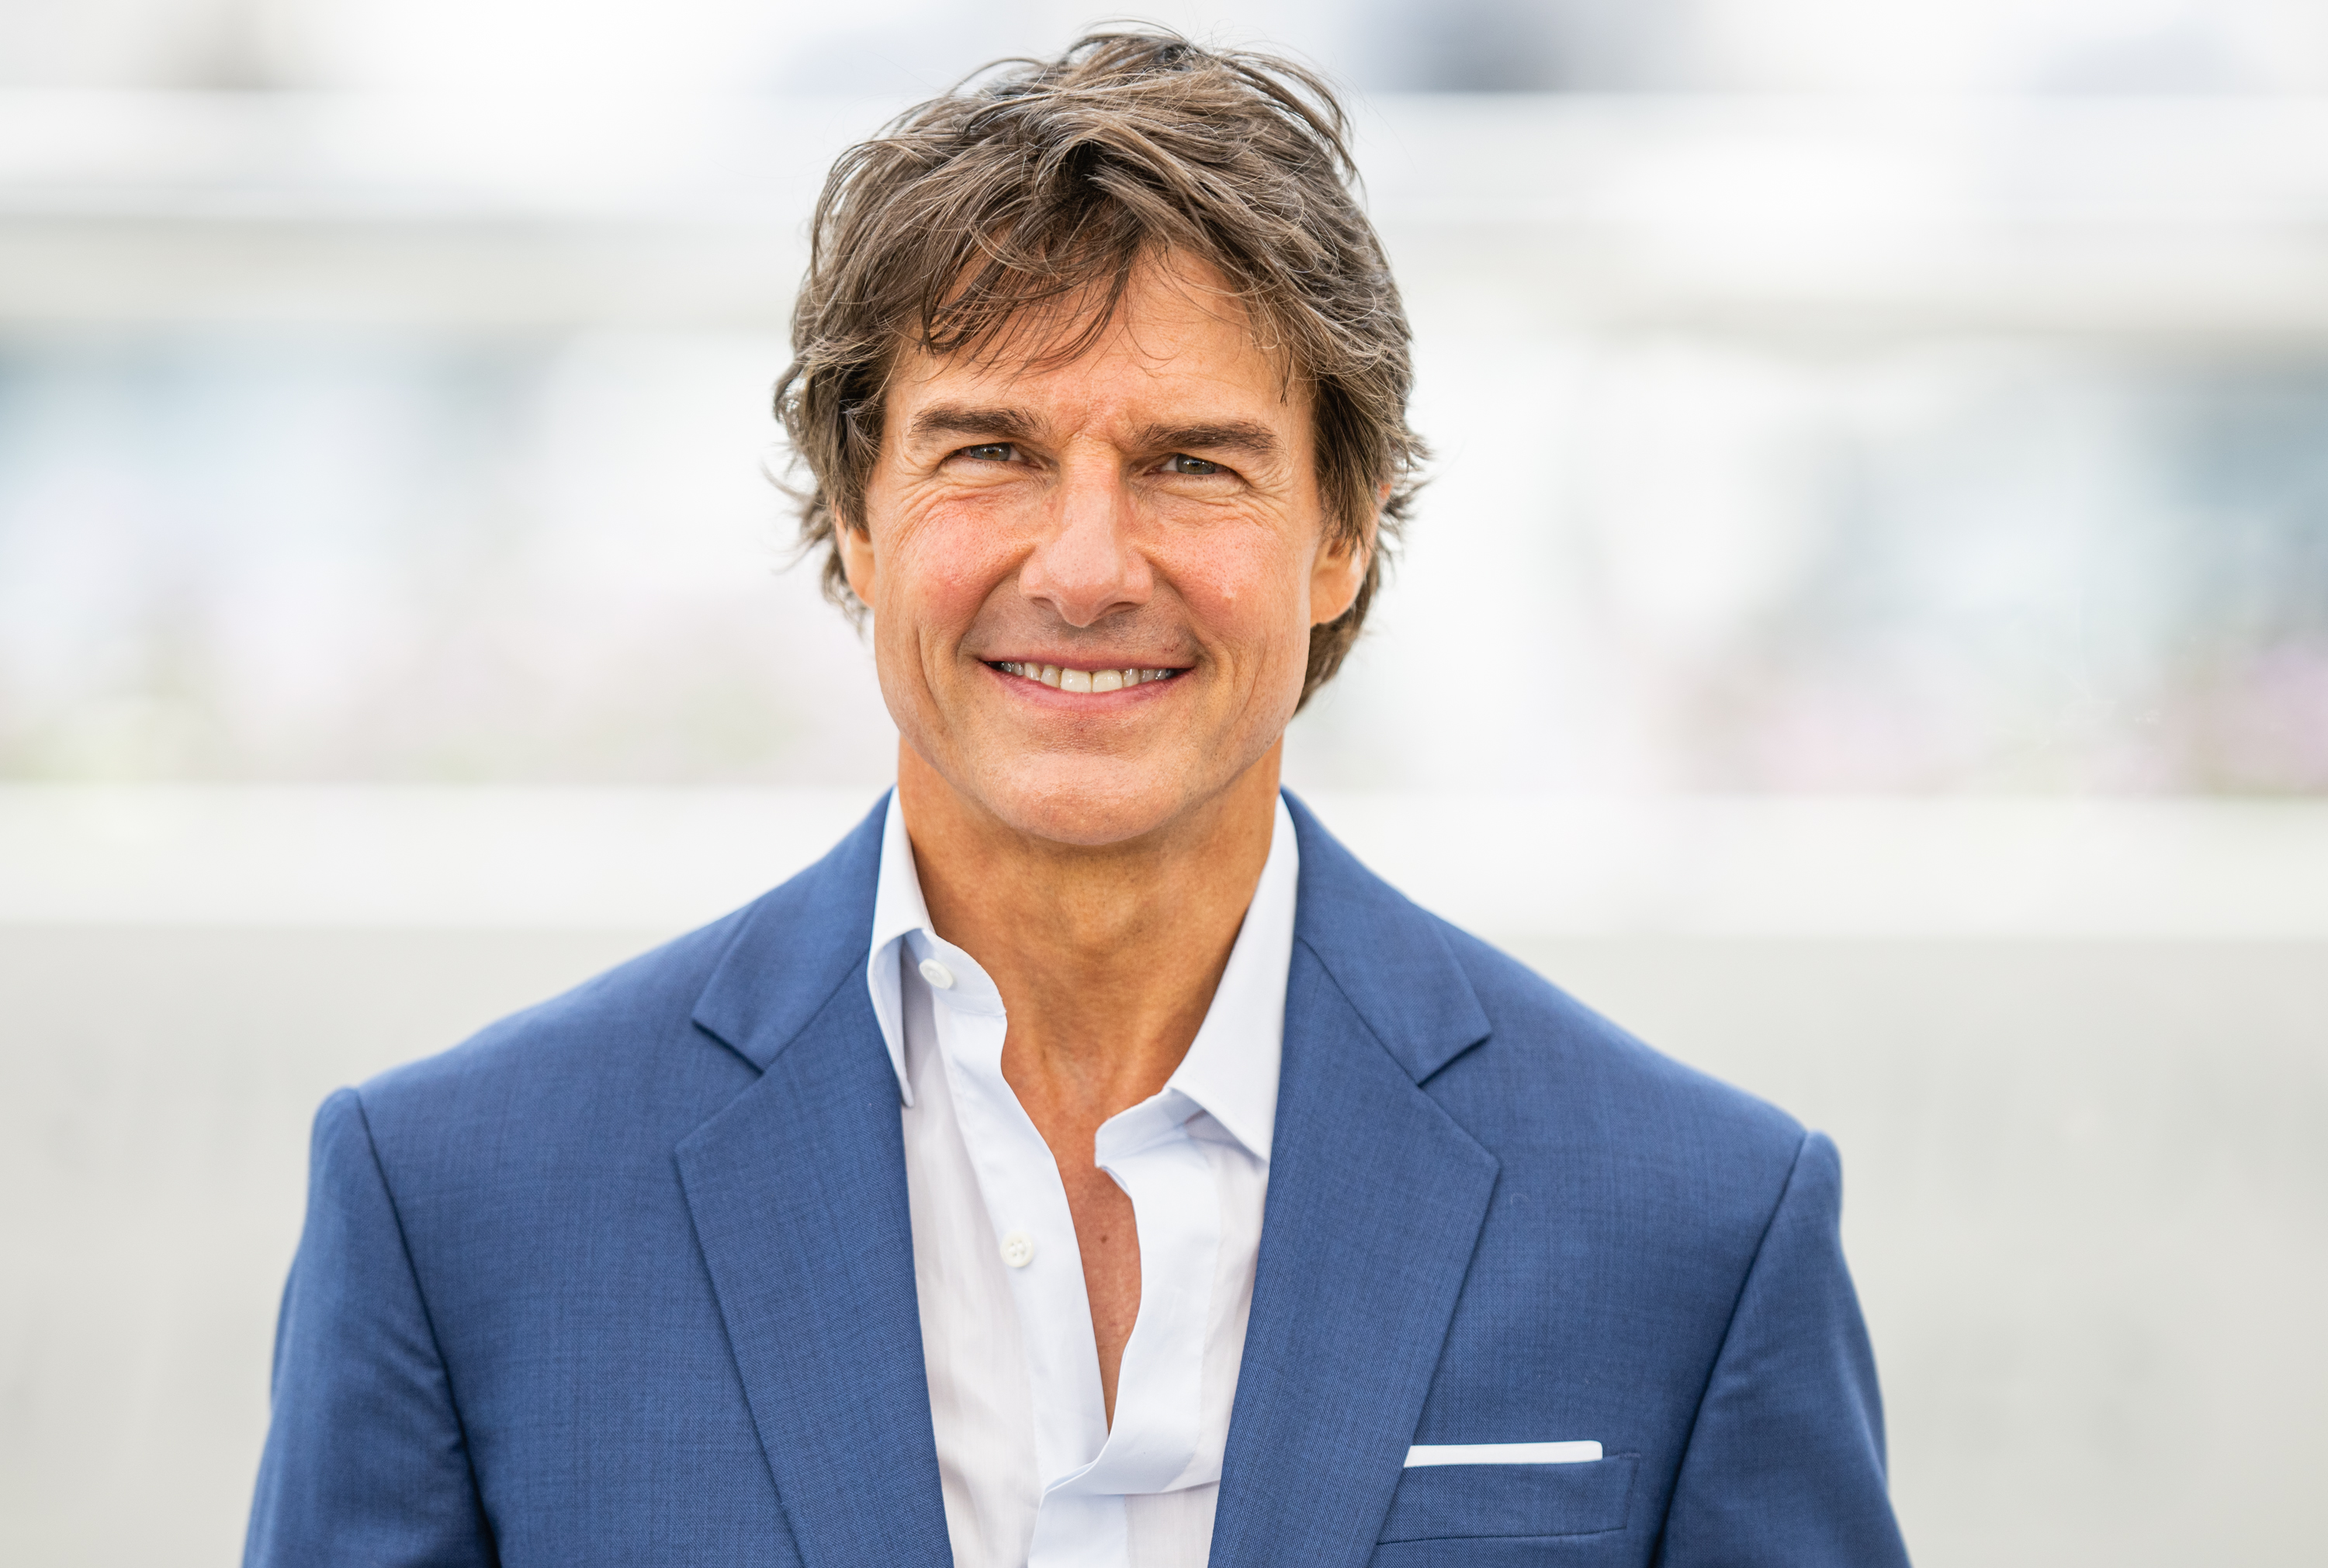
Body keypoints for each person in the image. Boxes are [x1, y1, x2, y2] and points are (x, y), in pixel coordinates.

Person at [244, 32, 1910, 1568]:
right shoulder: (458, 1207)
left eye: (1192, 462)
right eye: (990, 453)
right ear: (855, 518)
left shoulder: (1695, 1226)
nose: (1091, 567)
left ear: (1339, 534)